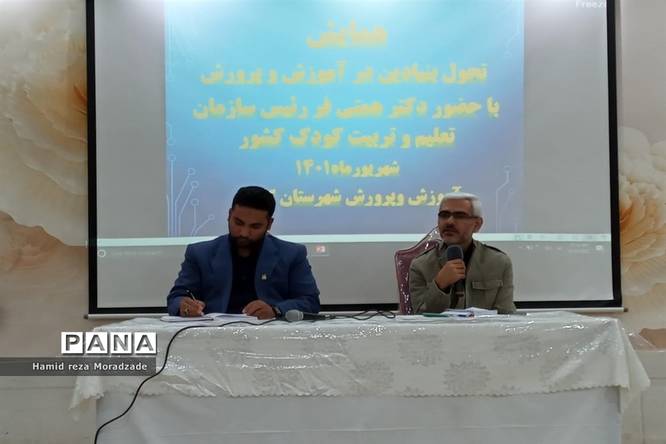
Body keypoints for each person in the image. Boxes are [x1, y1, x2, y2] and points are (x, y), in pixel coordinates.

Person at [167, 186, 320, 319]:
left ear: (269, 224)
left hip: (271, 335)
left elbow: (310, 301)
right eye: (238, 223)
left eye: (255, 226)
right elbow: (176, 297)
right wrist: (184, 306)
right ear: (229, 215)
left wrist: (276, 310)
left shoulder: (292, 254)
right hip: (212, 335)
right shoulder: (199, 253)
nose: (244, 233)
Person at [409, 192, 515, 314]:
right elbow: (419, 317)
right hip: (439, 328)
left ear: (477, 225)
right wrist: (439, 285)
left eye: (459, 216)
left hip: (484, 327)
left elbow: (506, 317)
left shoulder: (499, 263)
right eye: (444, 215)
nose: (449, 222)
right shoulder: (421, 265)